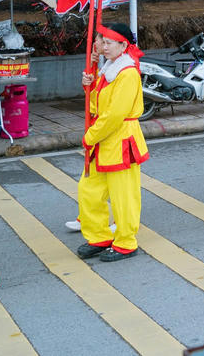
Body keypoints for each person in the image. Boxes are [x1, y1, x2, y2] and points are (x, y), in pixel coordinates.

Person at [76, 23, 148, 262]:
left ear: (123, 45)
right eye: (102, 42)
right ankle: (99, 236)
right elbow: (97, 105)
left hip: (120, 139)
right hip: (104, 140)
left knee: (123, 196)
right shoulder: (109, 69)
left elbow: (115, 115)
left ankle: (126, 241)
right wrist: (89, 86)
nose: (103, 47)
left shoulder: (127, 73)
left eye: (108, 42)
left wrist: (90, 136)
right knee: (89, 190)